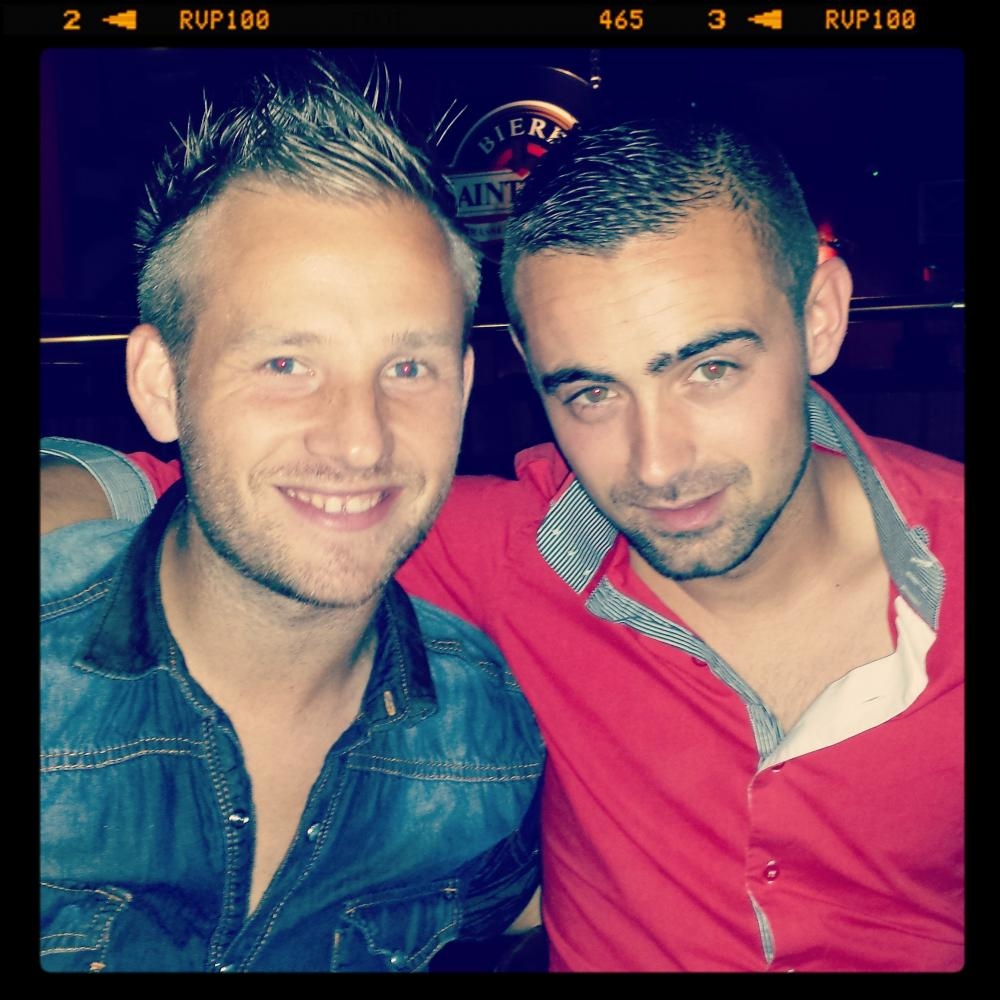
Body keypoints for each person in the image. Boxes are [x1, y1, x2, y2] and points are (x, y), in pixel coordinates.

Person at [42, 112, 964, 972]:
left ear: (819, 315)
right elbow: (232, 490)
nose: (657, 463)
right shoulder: (499, 548)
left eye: (710, 369)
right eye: (591, 392)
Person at [39, 54, 546, 973]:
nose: (359, 441)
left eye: (408, 368)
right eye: (286, 364)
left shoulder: (487, 742)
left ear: (466, 386)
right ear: (161, 384)